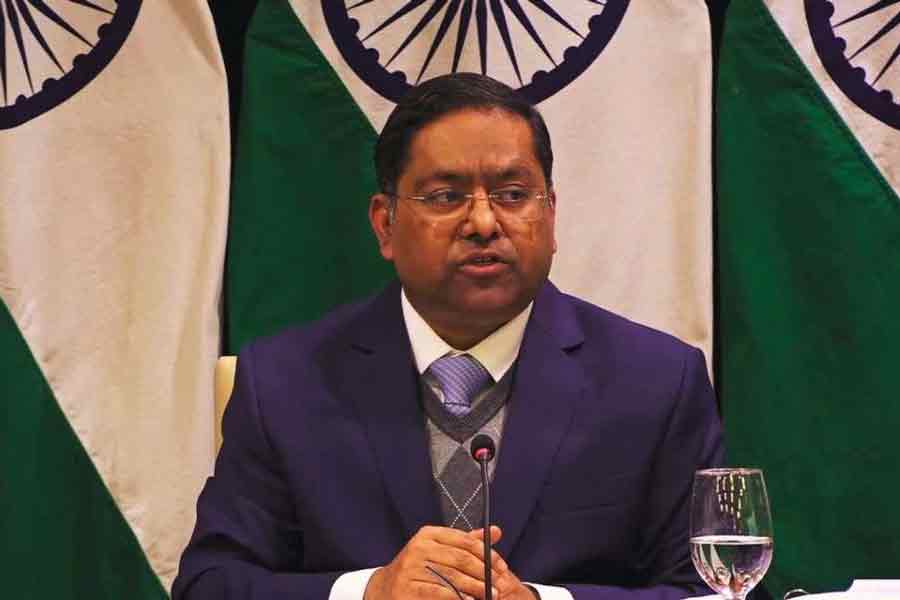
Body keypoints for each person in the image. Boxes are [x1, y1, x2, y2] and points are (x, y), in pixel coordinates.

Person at [172, 73, 723, 600]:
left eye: (512, 195)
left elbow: (717, 591)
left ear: (551, 214)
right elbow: (209, 585)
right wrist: (368, 592)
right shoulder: (285, 382)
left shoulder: (656, 381)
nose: (483, 222)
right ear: (384, 224)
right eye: (445, 196)